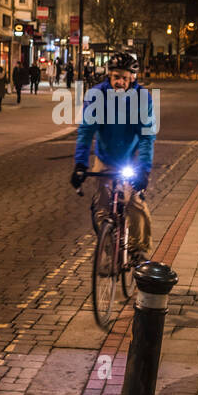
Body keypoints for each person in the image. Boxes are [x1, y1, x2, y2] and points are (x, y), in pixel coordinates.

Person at [70, 51, 155, 267]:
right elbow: (86, 131)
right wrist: (80, 163)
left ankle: (139, 250)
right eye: (116, 76)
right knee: (102, 206)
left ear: (132, 78)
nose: (119, 82)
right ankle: (108, 245)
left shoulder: (142, 99)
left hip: (130, 158)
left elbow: (146, 136)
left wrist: (144, 169)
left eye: (124, 78)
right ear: (109, 75)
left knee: (135, 204)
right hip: (105, 157)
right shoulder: (96, 95)